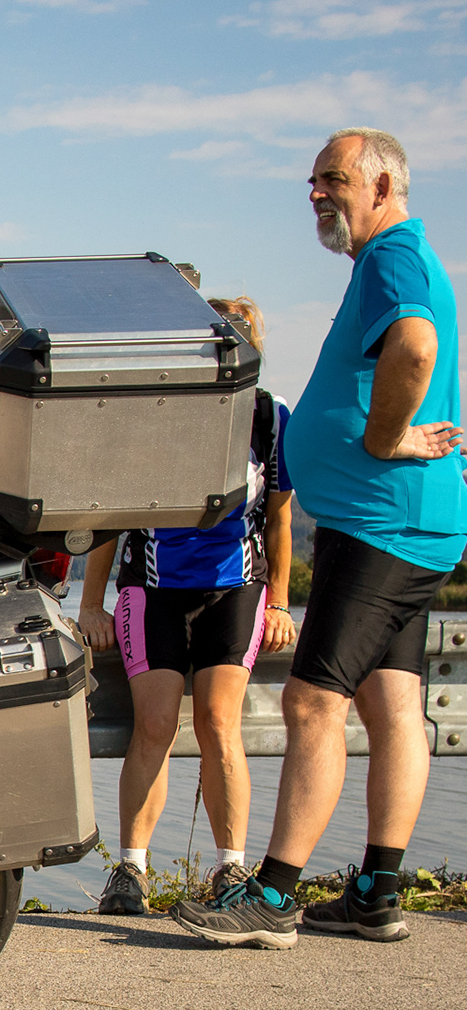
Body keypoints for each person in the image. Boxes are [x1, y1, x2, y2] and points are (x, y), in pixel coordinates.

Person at [172, 127, 466, 949]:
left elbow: (415, 347)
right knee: (394, 701)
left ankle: (271, 899)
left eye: (332, 179)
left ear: (382, 186)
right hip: (399, 522)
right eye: (312, 181)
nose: (316, 194)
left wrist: (382, 439)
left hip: (384, 522)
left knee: (311, 702)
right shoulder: (397, 259)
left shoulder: (395, 257)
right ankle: (375, 892)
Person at [77, 296, 297, 915]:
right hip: (152, 592)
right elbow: (108, 517)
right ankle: (132, 872)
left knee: (218, 724)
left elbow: (279, 522)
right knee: (155, 726)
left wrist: (279, 601)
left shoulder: (269, 417)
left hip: (235, 590)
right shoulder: (153, 412)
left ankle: (231, 871)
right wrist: (90, 604)